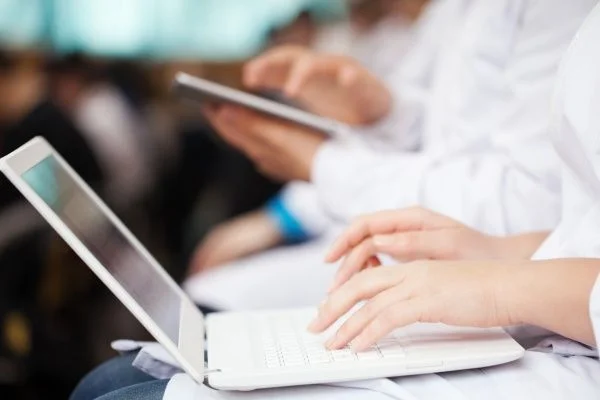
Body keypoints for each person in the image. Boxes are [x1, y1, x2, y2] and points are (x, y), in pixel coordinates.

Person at [70, 3, 600, 397]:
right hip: (540, 294)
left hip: (562, 331)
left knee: (122, 389)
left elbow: (532, 192)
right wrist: (501, 251)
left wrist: (321, 168)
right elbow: (572, 208)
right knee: (121, 378)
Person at [184, 0, 594, 311]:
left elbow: (533, 206)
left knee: (193, 325)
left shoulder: (558, 12)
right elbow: (448, 131)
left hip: (496, 284)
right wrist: (381, 112)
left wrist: (322, 167)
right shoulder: (451, 14)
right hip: (455, 258)